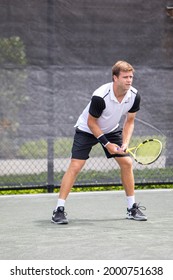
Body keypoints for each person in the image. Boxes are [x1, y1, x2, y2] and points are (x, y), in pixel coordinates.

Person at [51, 60, 147, 224]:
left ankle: (132, 208)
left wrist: (125, 143)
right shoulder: (100, 96)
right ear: (115, 78)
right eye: (125, 77)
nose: (129, 80)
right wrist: (107, 144)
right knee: (76, 165)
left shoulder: (134, 96)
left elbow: (130, 121)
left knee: (127, 163)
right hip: (87, 130)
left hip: (111, 129)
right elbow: (91, 123)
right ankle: (58, 210)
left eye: (131, 77)